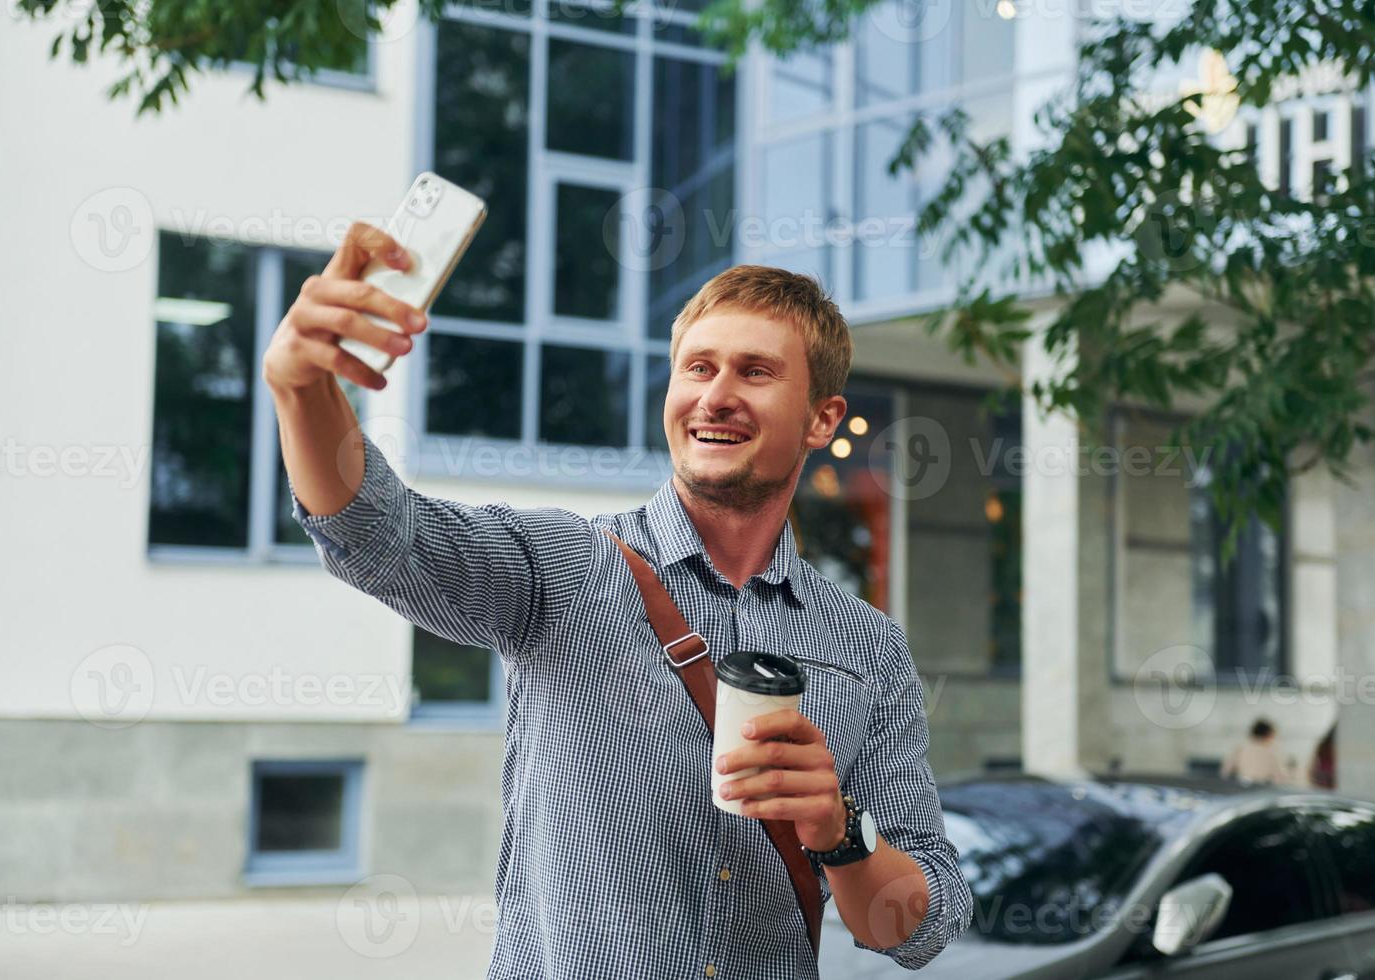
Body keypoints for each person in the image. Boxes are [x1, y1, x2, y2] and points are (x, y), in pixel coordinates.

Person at [262, 223, 972, 979]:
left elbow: (917, 930)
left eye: (755, 372)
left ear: (822, 419)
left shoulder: (868, 647)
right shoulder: (568, 568)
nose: (717, 396)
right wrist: (301, 388)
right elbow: (379, 535)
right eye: (698, 368)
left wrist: (837, 832)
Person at [1221, 718, 1292, 786]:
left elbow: (1225, 772)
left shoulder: (1240, 748)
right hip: (1261, 790)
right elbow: (1281, 778)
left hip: (1242, 787)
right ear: (1268, 735)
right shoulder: (1271, 751)